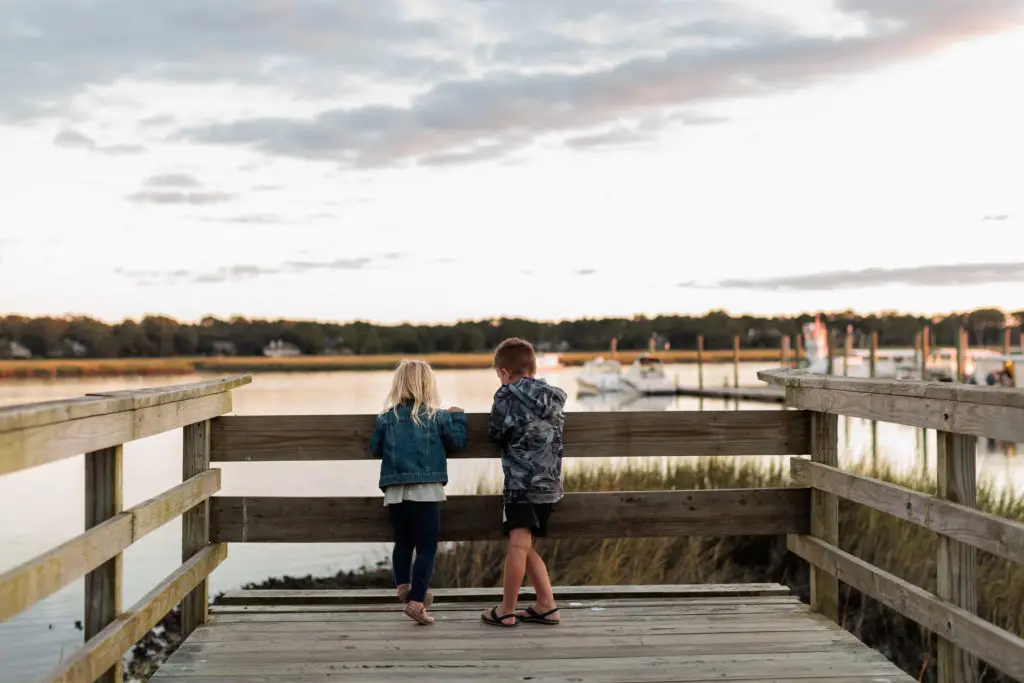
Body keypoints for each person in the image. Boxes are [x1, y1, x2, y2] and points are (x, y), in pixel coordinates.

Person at [370, 359, 468, 625]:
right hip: (426, 495)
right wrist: (458, 416)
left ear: (398, 385)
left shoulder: (385, 419)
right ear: (428, 386)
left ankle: (403, 586)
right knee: (426, 549)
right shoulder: (438, 418)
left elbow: (375, 449)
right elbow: (458, 442)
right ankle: (416, 603)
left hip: (395, 495)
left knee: (403, 542)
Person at [481, 338, 566, 628]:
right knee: (525, 545)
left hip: (520, 484)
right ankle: (546, 605)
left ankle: (506, 609)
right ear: (532, 367)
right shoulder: (552, 396)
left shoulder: (505, 395)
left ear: (504, 372)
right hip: (549, 485)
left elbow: (495, 432)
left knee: (518, 545)